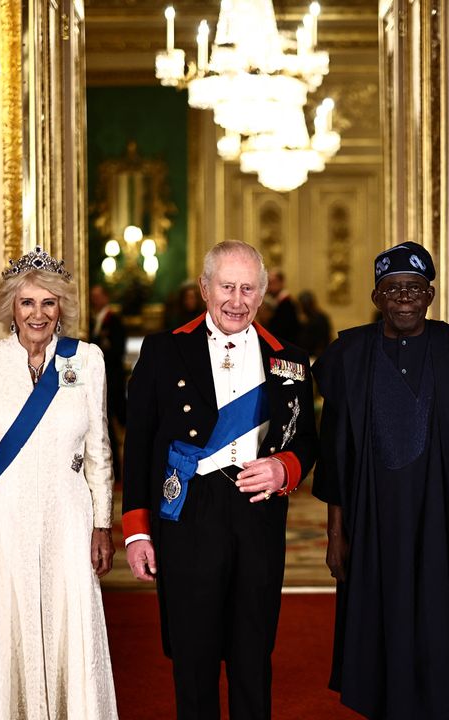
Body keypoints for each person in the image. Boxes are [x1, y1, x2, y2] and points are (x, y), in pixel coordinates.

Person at [122, 240, 318, 720]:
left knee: (253, 655)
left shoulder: (288, 359)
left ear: (263, 293)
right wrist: (137, 531)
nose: (237, 300)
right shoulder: (165, 350)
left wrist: (284, 468)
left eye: (248, 288)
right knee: (194, 657)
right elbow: (140, 443)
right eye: (227, 287)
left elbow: (308, 440)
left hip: (257, 511)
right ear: (205, 290)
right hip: (189, 512)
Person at [313, 241, 449, 719]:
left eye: (414, 288)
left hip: (443, 520)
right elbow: (335, 454)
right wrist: (335, 534)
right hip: (370, 522)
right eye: (392, 289)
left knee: (443, 620)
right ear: (376, 296)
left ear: (430, 294)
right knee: (379, 623)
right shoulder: (350, 355)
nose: (404, 298)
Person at [0, 247, 118, 719]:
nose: (38, 314)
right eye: (27, 303)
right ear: (11, 308)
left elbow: (98, 449)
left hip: (68, 516)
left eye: (49, 303)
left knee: (69, 629)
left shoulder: (88, 361)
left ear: (62, 309)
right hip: (2, 519)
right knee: (2, 631)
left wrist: (102, 524)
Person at [89, 284, 128, 426]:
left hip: (112, 374)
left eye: (98, 297)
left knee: (116, 414)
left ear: (106, 297)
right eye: (93, 297)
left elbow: (118, 349)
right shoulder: (92, 320)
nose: (95, 300)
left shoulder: (114, 320)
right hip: (99, 373)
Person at [265, 269, 303, 344]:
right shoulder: (276, 302)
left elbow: (285, 331)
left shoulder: (287, 303)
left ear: (281, 282)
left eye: (273, 282)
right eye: (268, 283)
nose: (269, 287)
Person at [296, 290, 332, 358]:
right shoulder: (301, 318)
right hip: (304, 353)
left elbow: (325, 338)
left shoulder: (320, 318)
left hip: (315, 355)